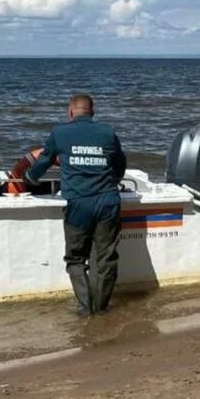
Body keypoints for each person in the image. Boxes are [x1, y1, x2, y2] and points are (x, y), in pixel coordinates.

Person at [26, 94, 127, 315]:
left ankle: (85, 308)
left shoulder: (60, 132)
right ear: (93, 111)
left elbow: (43, 161)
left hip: (79, 204)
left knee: (76, 259)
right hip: (108, 203)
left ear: (70, 112)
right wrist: (114, 179)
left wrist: (30, 177)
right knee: (106, 258)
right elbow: (120, 165)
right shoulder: (108, 132)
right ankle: (100, 308)